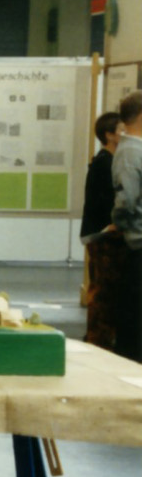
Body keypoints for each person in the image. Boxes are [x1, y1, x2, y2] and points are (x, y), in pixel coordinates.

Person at [82, 112, 125, 350]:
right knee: (103, 290)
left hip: (103, 233)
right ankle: (97, 339)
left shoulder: (109, 160)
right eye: (121, 130)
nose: (125, 134)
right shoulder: (104, 163)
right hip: (104, 235)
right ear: (109, 135)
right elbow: (106, 200)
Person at [110, 92, 142, 360]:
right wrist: (120, 222)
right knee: (135, 313)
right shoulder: (130, 153)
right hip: (139, 242)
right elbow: (127, 200)